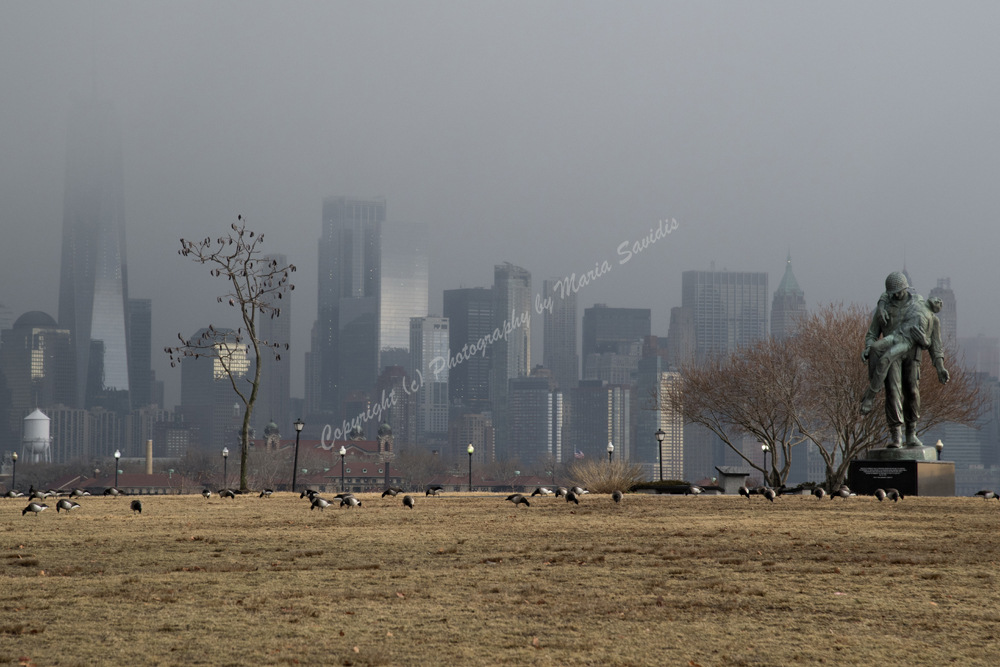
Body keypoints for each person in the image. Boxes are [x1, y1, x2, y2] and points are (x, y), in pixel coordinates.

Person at [861, 272, 950, 447]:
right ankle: (896, 435)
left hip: (912, 355)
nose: (896, 295)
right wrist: (868, 347)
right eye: (893, 292)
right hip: (891, 350)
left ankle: (911, 433)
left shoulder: (920, 305)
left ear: (905, 288)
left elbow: (935, 344)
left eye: (899, 291)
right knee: (893, 391)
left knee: (912, 392)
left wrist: (940, 367)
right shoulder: (884, 308)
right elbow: (872, 334)